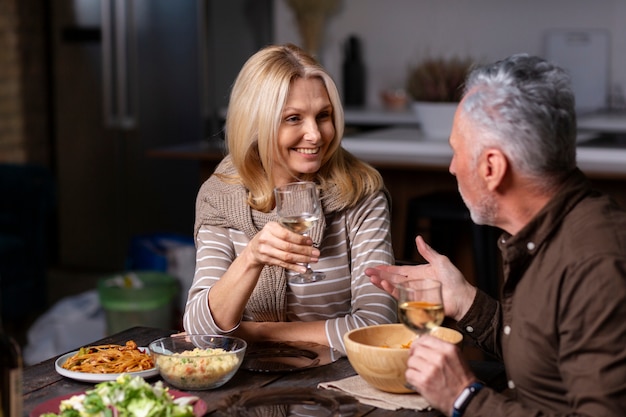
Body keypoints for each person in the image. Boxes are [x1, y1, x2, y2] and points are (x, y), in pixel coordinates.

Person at [366, 54, 626, 416]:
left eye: (457, 151)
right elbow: (547, 358)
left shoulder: (595, 265)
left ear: (492, 168)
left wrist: (464, 398)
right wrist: (467, 302)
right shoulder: (547, 234)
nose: (452, 166)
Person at [183, 43, 397, 357]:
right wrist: (252, 258)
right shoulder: (220, 197)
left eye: (323, 116)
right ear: (256, 123)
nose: (316, 135)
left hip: (341, 386)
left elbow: (376, 327)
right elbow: (200, 331)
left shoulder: (360, 191)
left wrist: (257, 332)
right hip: (248, 390)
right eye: (294, 118)